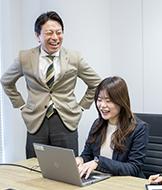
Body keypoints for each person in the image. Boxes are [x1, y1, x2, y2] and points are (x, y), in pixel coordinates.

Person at [0, 11, 101, 158]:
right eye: (49, 33)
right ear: (38, 35)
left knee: (67, 171)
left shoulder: (74, 57)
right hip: (36, 122)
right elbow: (6, 81)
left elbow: (96, 83)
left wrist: (81, 107)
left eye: (59, 33)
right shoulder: (25, 57)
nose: (55, 37)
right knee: (34, 169)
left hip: (66, 121)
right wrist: (21, 105)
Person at [75, 76, 149, 179]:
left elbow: (134, 168)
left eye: (108, 101)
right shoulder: (97, 124)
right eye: (99, 100)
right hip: (100, 180)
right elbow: (88, 155)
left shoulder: (139, 128)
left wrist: (99, 163)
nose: (102, 105)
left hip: (124, 184)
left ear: (121, 102)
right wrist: (80, 160)